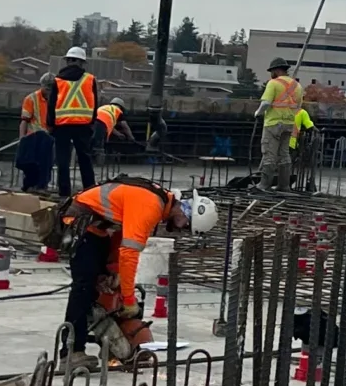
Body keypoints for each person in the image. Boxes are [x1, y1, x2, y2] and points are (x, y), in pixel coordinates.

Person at [60, 180, 210, 357]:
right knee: (84, 287)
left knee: (106, 287)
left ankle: (112, 348)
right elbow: (129, 254)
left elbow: (121, 230)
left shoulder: (159, 202)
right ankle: (72, 351)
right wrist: (129, 299)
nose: (181, 229)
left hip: (98, 226)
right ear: (186, 213)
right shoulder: (151, 205)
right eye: (185, 226)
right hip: (81, 222)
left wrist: (114, 269)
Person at [51, 46, 100, 197]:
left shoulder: (58, 80)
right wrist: (92, 123)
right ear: (81, 62)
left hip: (62, 125)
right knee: (85, 159)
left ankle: (64, 192)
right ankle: (90, 191)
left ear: (68, 61)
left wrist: (51, 125)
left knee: (63, 161)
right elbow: (95, 103)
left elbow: (51, 104)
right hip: (83, 125)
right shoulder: (90, 79)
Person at [258, 59, 302, 189]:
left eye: (272, 71)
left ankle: (264, 185)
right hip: (289, 124)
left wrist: (258, 113)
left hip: (273, 124)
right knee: (284, 154)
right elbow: (298, 105)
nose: (271, 74)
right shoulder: (297, 86)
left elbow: (266, 103)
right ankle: (284, 185)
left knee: (269, 154)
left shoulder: (273, 83)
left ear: (276, 70)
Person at [18, 75, 56, 194]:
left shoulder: (57, 99)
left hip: (48, 137)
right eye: (47, 89)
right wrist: (22, 139)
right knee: (31, 163)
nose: (49, 91)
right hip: (33, 137)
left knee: (46, 164)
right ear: (42, 86)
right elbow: (25, 120)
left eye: (51, 89)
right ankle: (30, 185)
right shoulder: (31, 99)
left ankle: (41, 186)